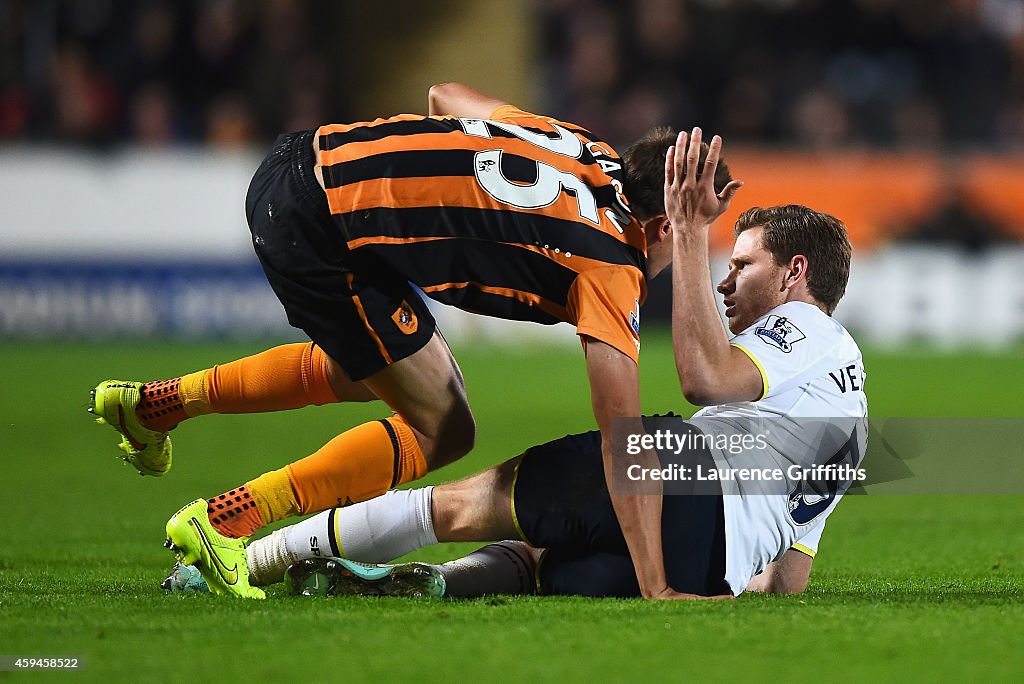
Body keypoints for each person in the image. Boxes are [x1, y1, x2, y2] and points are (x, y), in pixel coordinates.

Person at [88, 85, 736, 599]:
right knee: (443, 425)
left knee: (366, 370)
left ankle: (152, 407)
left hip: (305, 161)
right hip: (319, 226)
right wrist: (658, 584)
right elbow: (623, 439)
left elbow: (445, 94)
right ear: (664, 224)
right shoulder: (610, 265)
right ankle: (227, 519)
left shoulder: (579, 145)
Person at [166, 133, 867, 600]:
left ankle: (244, 559)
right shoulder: (849, 427)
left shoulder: (806, 324)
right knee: (532, 562)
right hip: (710, 566)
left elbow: (702, 383)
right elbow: (787, 585)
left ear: (794, 274)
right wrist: (698, 575)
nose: (725, 281)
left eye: (741, 266)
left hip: (685, 473)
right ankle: (422, 584)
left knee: (459, 501)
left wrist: (688, 233)